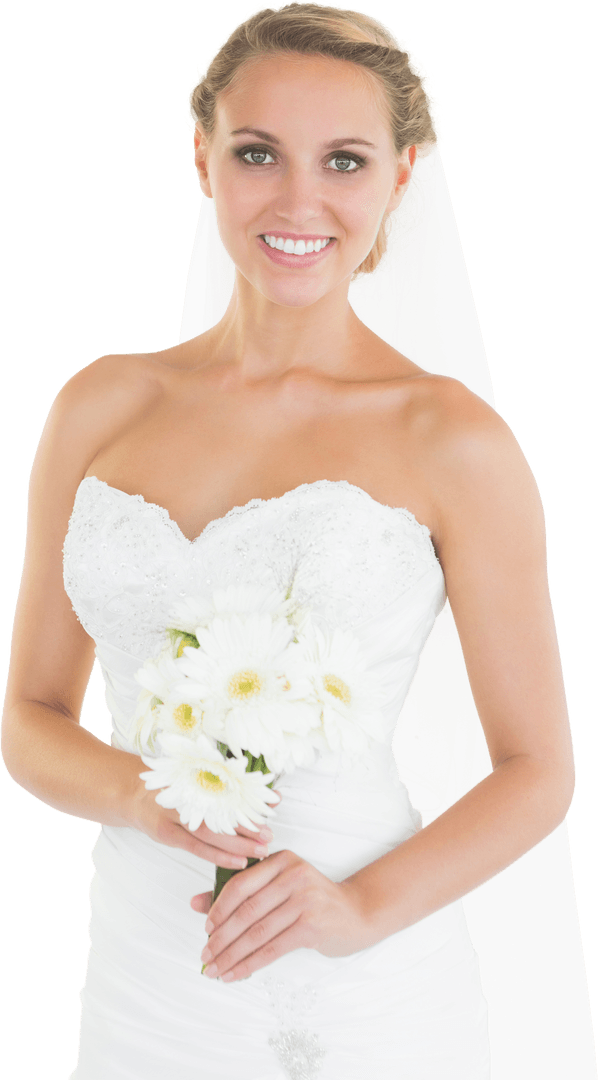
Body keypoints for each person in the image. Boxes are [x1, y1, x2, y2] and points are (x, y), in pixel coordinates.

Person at [0, 2, 594, 1078]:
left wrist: (358, 908)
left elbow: (537, 770)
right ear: (203, 159)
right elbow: (31, 721)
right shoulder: (99, 404)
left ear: (403, 177)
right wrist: (143, 796)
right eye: (259, 152)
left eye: (346, 161)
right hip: (146, 963)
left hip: (359, 977)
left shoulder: (449, 437)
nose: (298, 200)